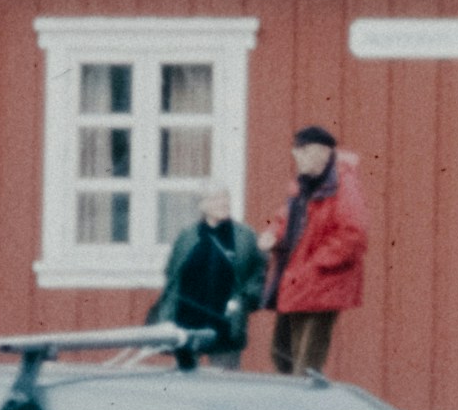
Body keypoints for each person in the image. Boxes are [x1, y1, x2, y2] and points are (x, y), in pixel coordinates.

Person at [266, 126, 367, 377]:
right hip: (297, 281)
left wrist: (315, 264)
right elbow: (286, 220)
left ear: (322, 152)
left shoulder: (343, 185)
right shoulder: (304, 185)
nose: (297, 158)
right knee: (281, 354)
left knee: (306, 363)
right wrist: (274, 235)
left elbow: (354, 234)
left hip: (321, 285)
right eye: (296, 152)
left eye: (302, 152)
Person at [154, 199, 268, 368]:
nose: (224, 203)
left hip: (226, 323)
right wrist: (168, 315)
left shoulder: (245, 236)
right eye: (215, 199)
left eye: (225, 197)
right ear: (203, 206)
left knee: (225, 385)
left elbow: (259, 274)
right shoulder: (187, 236)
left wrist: (244, 300)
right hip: (188, 322)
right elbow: (172, 276)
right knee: (186, 384)